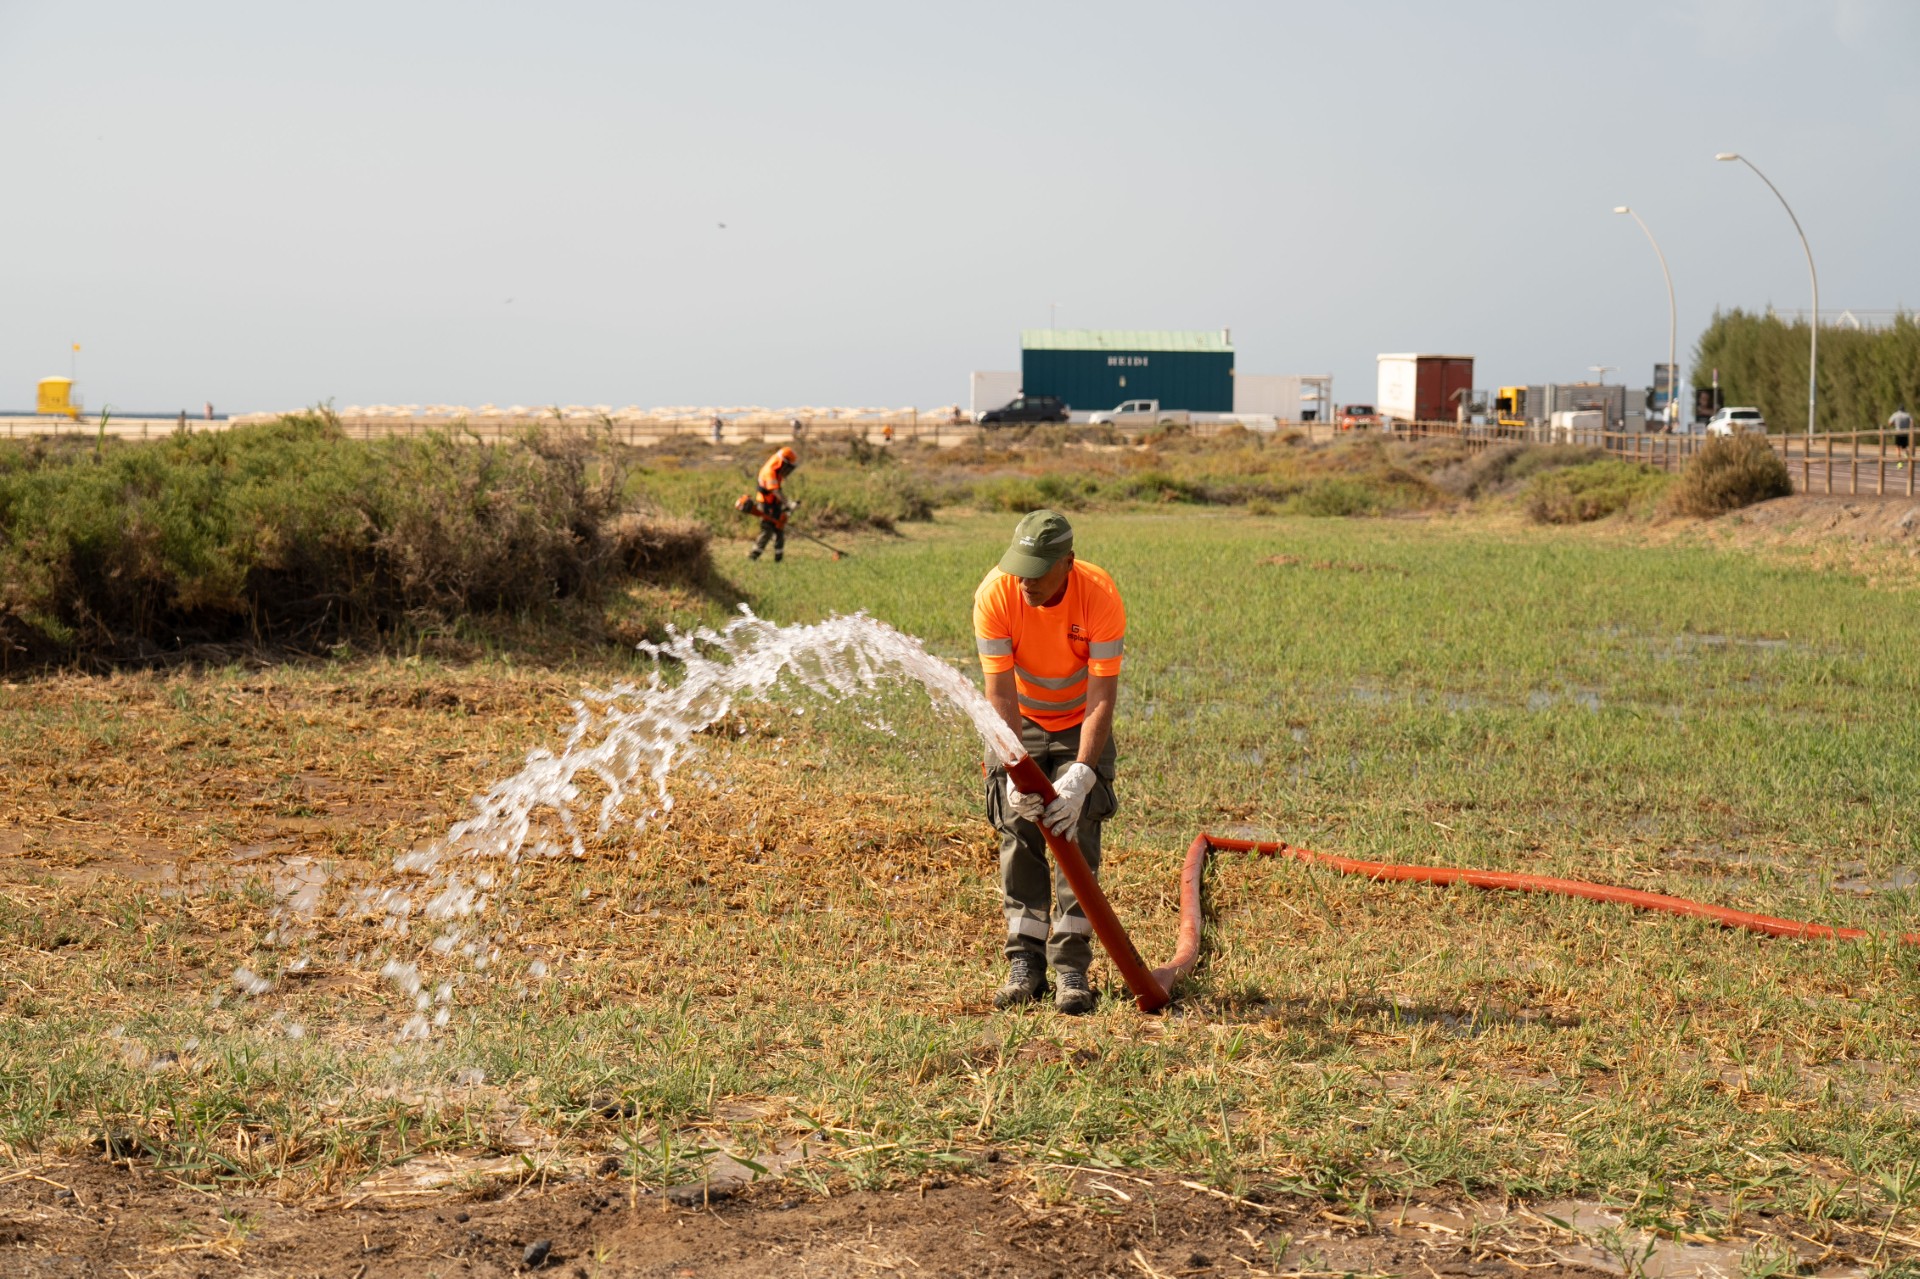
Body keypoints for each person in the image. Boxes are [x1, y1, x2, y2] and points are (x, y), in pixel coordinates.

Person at [972, 510, 1125, 1015]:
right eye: (1020, 568)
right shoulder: (995, 594)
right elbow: (1000, 696)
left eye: (1038, 571)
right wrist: (1016, 770)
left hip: (1082, 722)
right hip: (1019, 719)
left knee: (1075, 831)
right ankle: (1025, 965)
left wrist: (1082, 774)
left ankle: (1072, 970)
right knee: (1019, 828)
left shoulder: (1099, 595)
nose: (1026, 583)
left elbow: (1102, 695)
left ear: (1068, 563)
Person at [747, 446, 798, 562]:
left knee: (780, 527)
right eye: (788, 467)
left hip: (774, 502)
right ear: (783, 463)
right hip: (765, 504)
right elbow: (775, 491)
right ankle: (753, 556)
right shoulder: (770, 471)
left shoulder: (776, 468)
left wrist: (785, 504)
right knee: (767, 530)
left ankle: (779, 558)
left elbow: (777, 491)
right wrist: (788, 504)